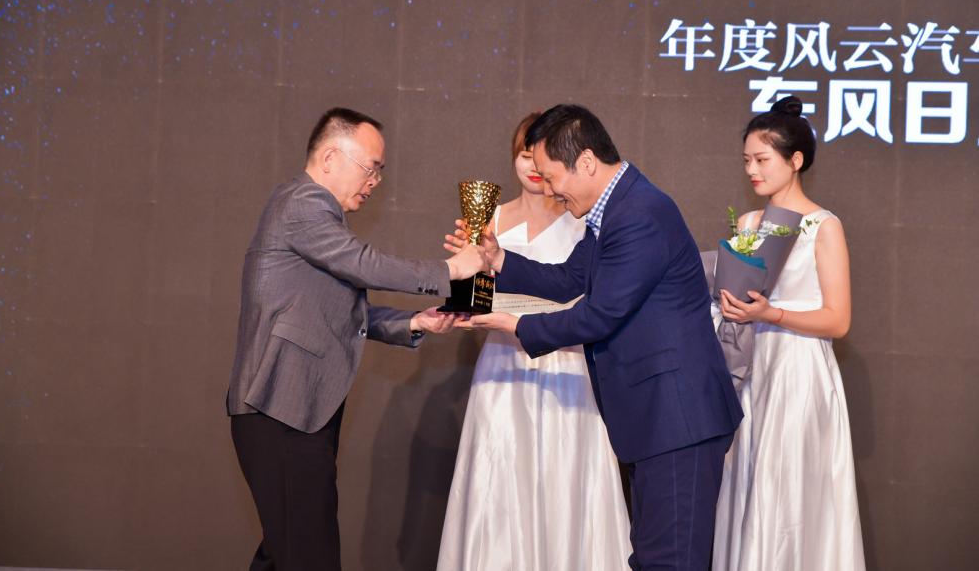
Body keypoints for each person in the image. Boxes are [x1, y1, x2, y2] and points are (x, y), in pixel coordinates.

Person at [450, 104, 743, 570]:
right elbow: (570, 279)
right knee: (655, 558)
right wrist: (497, 258)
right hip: (660, 419)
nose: (548, 189)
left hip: (678, 419)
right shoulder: (616, 208)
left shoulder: (639, 213)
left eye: (551, 176)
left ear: (585, 162)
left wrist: (515, 325)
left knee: (671, 561)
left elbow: (600, 315)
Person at [226, 107, 488, 571]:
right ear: (330, 157)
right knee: (308, 555)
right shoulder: (303, 204)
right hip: (280, 407)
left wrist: (414, 323)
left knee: (285, 553)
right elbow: (363, 264)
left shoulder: (313, 216)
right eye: (371, 167)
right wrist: (451, 270)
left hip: (295, 410)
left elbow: (344, 312)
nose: (375, 182)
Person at [436, 113, 632, 570]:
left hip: (567, 363)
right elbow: (474, 294)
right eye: (524, 155)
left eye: (540, 158)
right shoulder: (491, 217)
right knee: (501, 479)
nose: (533, 167)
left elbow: (574, 289)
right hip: (504, 366)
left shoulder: (585, 218)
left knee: (566, 480)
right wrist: (469, 280)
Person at [711, 96, 865, 570]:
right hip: (751, 367)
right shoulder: (749, 224)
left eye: (762, 160)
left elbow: (837, 319)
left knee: (791, 488)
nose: (752, 171)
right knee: (749, 480)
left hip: (798, 371)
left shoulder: (824, 226)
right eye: (747, 161)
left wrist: (773, 314)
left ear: (795, 160)